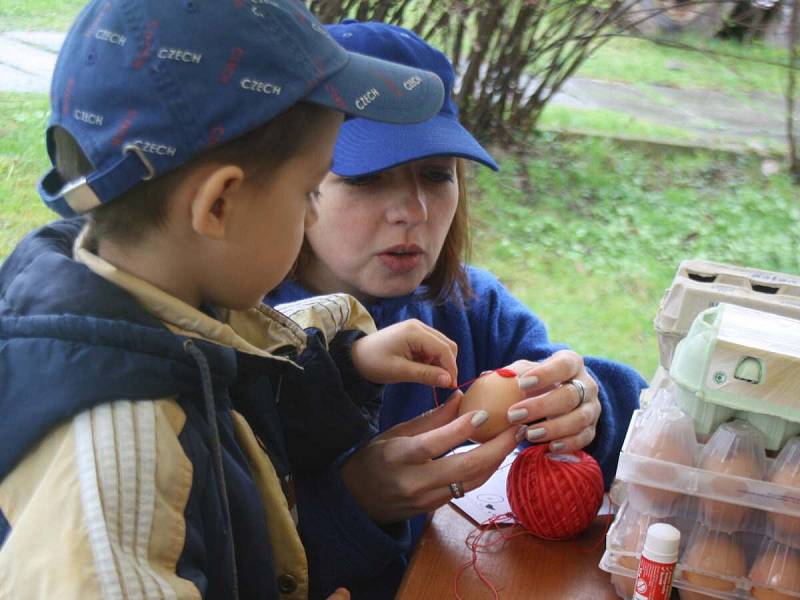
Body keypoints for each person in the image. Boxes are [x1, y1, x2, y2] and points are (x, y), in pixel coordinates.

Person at [0, 3, 498, 599]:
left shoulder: (149, 314)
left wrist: (345, 365)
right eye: (312, 190)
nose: (313, 214)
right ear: (218, 206)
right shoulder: (116, 464)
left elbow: (225, 370)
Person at [267, 20, 648, 544]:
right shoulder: (245, 335)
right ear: (294, 180)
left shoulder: (467, 307)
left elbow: (643, 423)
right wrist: (349, 501)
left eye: (435, 174)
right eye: (366, 177)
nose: (413, 210)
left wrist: (587, 405)